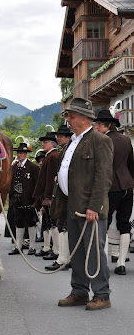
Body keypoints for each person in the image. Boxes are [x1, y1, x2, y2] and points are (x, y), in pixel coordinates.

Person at [54, 98, 113, 311]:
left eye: (71, 116)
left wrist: (94, 207)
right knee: (78, 252)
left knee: (93, 252)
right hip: (73, 205)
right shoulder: (73, 142)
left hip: (90, 209)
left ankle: (102, 294)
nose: (67, 120)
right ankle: (79, 292)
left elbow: (104, 177)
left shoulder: (100, 140)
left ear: (83, 117)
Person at [94, 109, 134, 275]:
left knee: (104, 222)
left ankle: (103, 262)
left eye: (98, 124)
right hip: (127, 186)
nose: (96, 127)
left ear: (107, 125)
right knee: (124, 223)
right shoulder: (126, 140)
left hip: (110, 187)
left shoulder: (101, 140)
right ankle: (121, 263)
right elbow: (131, 164)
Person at [45, 125, 73, 271]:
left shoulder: (70, 149)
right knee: (63, 224)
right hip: (63, 192)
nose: (58, 138)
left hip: (70, 193)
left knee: (63, 225)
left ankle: (63, 259)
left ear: (68, 137)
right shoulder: (65, 150)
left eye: (61, 136)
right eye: (58, 135)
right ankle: (66, 258)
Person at [8, 143, 39, 255]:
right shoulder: (14, 167)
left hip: (29, 199)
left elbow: (37, 184)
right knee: (18, 223)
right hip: (17, 199)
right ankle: (18, 246)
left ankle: (32, 247)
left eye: (21, 153)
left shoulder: (33, 167)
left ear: (26, 154)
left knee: (31, 222)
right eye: (18, 153)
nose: (19, 155)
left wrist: (36, 200)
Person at [33, 132, 59, 261]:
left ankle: (56, 250)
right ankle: (50, 248)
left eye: (45, 142)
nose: (43, 144)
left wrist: (48, 196)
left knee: (53, 223)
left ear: (52, 143)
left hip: (51, 195)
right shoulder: (50, 156)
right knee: (48, 223)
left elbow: (50, 179)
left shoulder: (53, 156)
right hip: (47, 194)